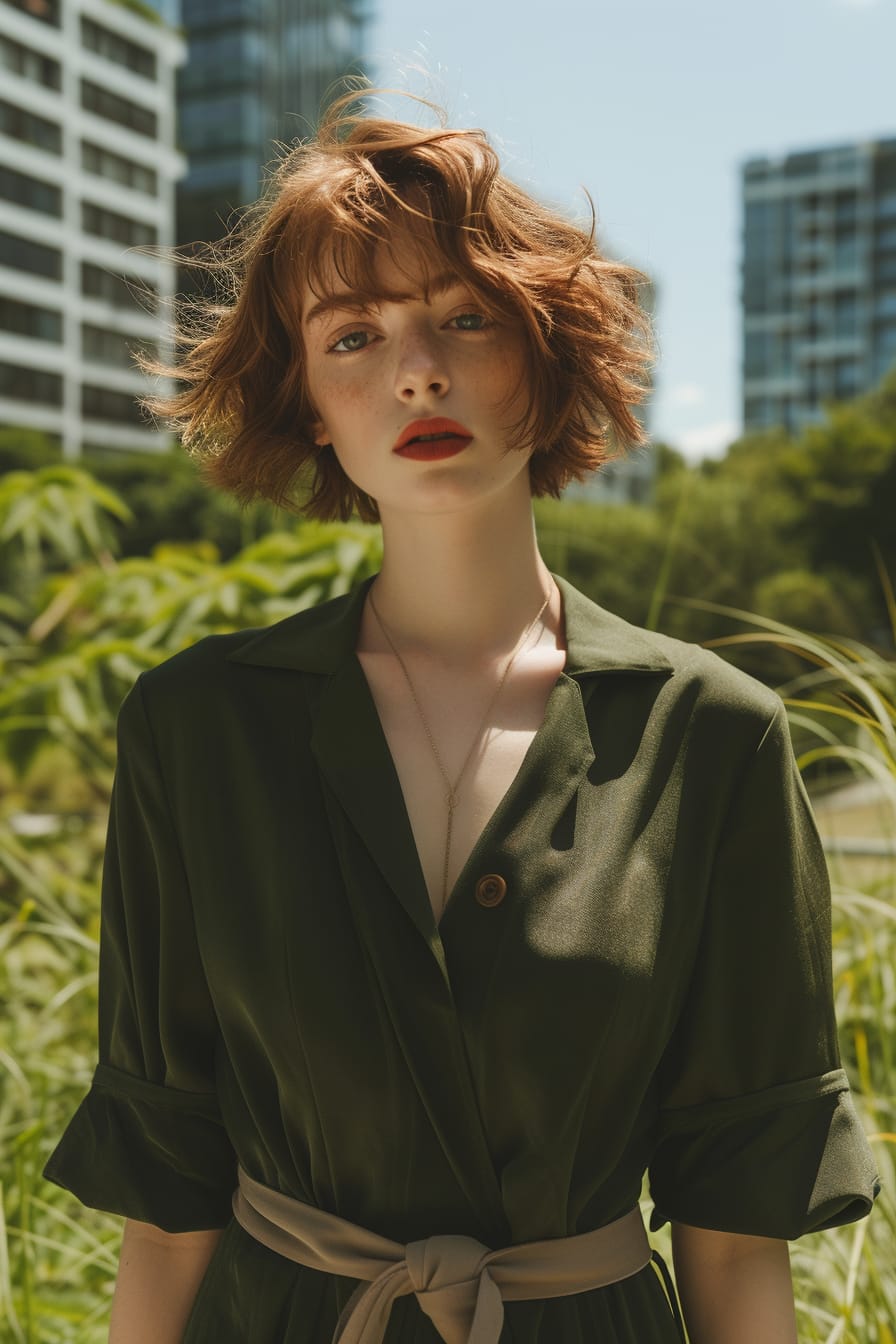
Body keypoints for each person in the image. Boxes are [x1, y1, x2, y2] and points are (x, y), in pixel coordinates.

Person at [43, 86, 880, 1344]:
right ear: (306, 404)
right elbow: (166, 1199)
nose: (417, 368)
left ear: (546, 356)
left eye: (464, 316)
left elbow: (735, 1232)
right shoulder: (198, 729)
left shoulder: (711, 735)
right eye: (352, 337)